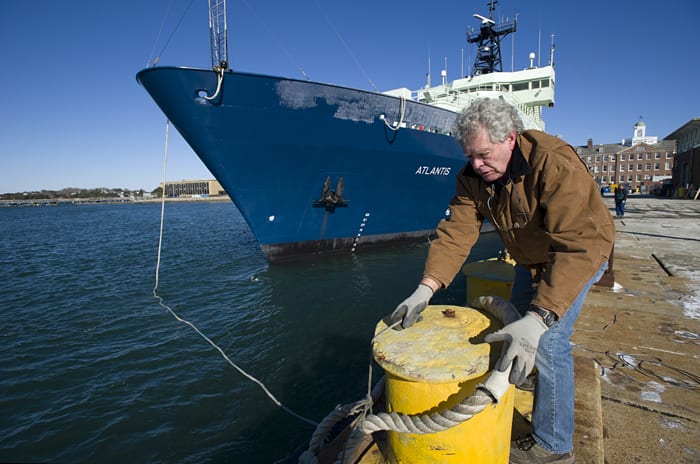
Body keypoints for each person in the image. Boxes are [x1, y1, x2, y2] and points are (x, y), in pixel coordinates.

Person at [389, 98, 615, 464]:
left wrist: (541, 317)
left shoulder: (553, 162)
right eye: (470, 156)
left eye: (483, 154)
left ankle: (554, 447)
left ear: (510, 138)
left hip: (578, 253)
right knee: (514, 322)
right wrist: (425, 287)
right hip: (530, 258)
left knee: (549, 341)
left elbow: (580, 245)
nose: (477, 165)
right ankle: (527, 374)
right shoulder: (472, 178)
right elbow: (457, 233)